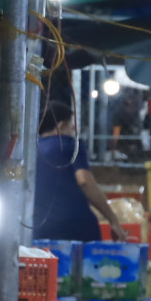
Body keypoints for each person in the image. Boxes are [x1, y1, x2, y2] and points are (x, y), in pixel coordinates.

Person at [31, 102, 124, 242]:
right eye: (71, 125)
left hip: (37, 226)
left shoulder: (31, 149)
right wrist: (113, 219)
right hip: (75, 225)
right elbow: (84, 180)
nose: (74, 129)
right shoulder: (71, 144)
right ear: (61, 126)